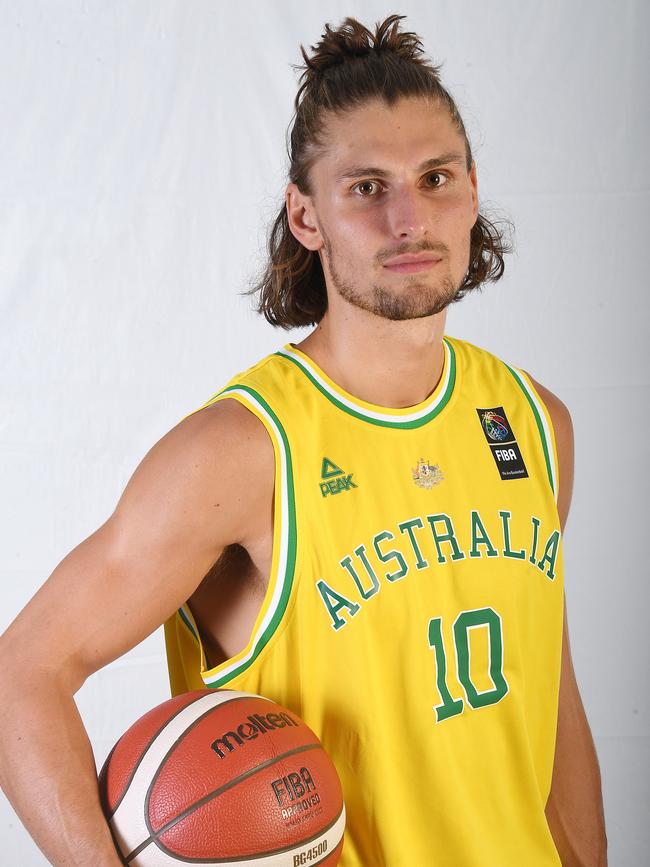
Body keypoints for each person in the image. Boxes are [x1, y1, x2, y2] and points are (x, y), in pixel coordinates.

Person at [0, 13, 607, 866]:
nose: (408, 217)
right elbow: (22, 674)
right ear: (306, 215)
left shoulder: (536, 422)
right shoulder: (241, 452)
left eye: (434, 177)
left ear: (473, 188)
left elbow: (551, 700)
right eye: (365, 187)